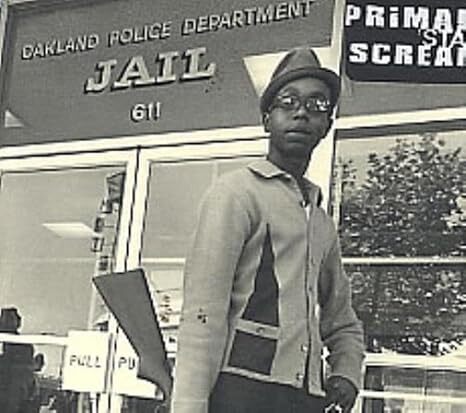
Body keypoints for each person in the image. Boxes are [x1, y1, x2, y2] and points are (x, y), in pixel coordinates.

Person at [170, 47, 365, 413]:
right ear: (266, 119)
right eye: (287, 102)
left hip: (306, 398)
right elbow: (203, 313)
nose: (301, 113)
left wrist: (347, 372)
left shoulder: (320, 221)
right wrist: (189, 405)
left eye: (316, 104)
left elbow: (342, 318)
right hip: (240, 392)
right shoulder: (235, 194)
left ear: (328, 125)